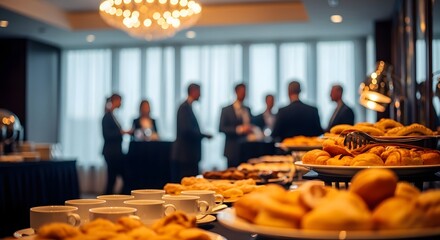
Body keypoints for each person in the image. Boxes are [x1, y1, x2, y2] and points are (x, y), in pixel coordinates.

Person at [171, 83, 212, 181]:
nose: (200, 95)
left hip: (188, 155)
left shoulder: (188, 107)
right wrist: (203, 135)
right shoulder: (184, 107)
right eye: (199, 92)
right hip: (186, 155)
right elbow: (186, 130)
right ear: (193, 91)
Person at [101, 93, 130, 194]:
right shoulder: (107, 117)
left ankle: (112, 198)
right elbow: (107, 135)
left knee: (113, 179)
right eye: (120, 101)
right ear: (115, 101)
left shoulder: (112, 116)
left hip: (116, 152)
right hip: (111, 152)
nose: (121, 103)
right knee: (116, 178)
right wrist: (122, 132)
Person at [219, 83, 253, 167]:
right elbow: (221, 128)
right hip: (232, 149)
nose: (244, 94)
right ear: (236, 92)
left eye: (245, 92)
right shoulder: (226, 110)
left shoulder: (248, 109)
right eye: (242, 91)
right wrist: (239, 129)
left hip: (246, 148)